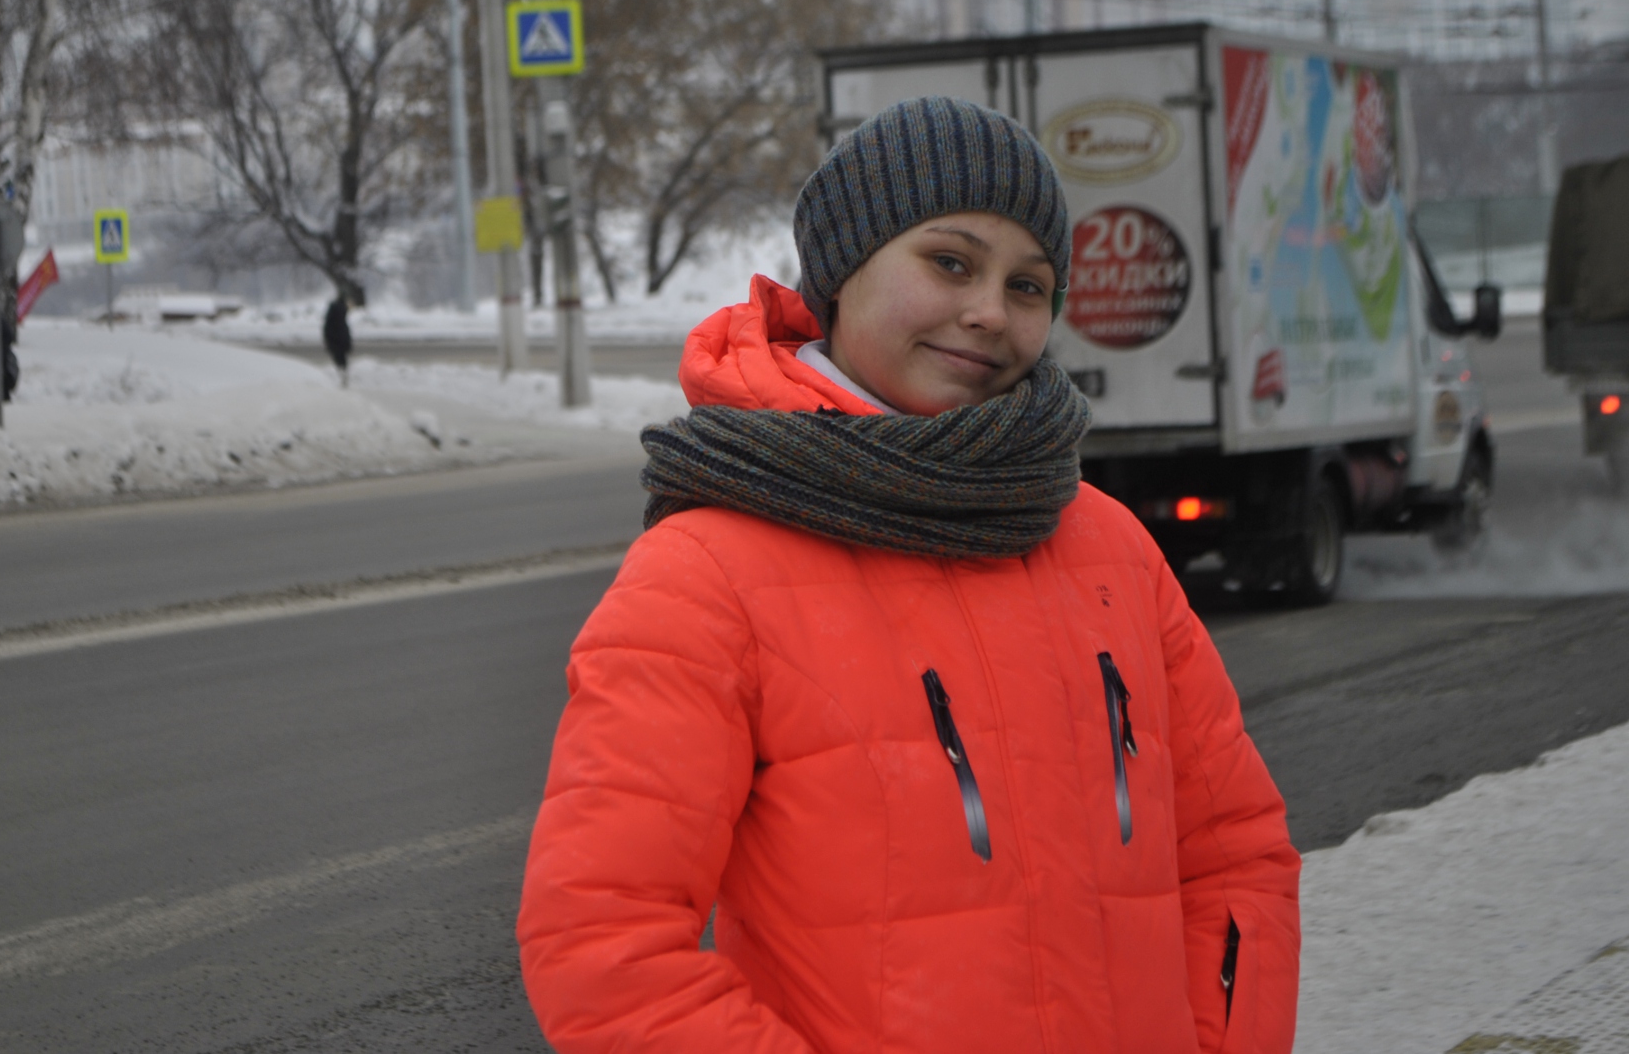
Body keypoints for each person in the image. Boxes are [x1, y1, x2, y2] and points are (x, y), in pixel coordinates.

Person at [518, 97, 1300, 1053]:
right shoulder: (706, 574)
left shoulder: (1105, 546)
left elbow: (1233, 856)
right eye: (950, 261)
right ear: (845, 271)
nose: (988, 312)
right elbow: (602, 943)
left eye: (1028, 285)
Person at [322, 296, 352, 387]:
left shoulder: (334, 314)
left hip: (335, 341)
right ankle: (341, 378)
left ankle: (341, 378)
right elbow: (344, 331)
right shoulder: (340, 315)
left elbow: (327, 328)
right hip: (339, 341)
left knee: (339, 360)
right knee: (341, 360)